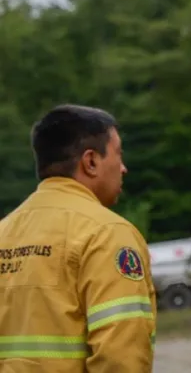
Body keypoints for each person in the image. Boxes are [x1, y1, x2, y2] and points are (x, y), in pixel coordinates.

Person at [0, 105, 156, 371]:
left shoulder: (5, 232)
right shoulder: (107, 234)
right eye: (118, 155)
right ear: (91, 161)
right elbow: (121, 358)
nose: (124, 168)